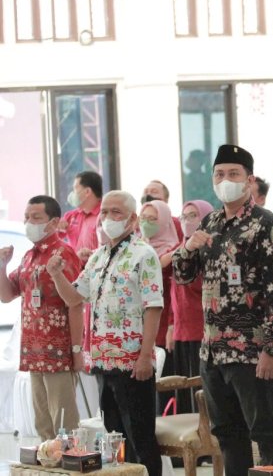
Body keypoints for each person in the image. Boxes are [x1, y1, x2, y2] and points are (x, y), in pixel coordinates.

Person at [172, 144, 273, 473]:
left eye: (233, 174)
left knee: (265, 432)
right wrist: (187, 248)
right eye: (219, 174)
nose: (226, 179)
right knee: (226, 434)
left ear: (249, 180)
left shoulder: (268, 225)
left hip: (252, 350)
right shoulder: (209, 223)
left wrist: (271, 348)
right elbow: (183, 277)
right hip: (212, 350)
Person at [48, 190, 163, 476]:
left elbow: (153, 307)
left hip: (132, 361)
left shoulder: (144, 254)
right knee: (114, 438)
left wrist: (145, 356)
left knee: (141, 437)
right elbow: (74, 298)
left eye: (116, 212)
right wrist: (56, 274)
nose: (108, 218)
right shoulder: (98, 256)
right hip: (102, 361)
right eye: (105, 212)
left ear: (133, 218)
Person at [0, 196, 82, 440]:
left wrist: (77, 350)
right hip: (33, 350)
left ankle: (69, 463)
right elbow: (6, 295)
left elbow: (76, 303)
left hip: (59, 349)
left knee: (64, 419)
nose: (28, 222)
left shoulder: (64, 253)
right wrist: (2, 266)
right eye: (27, 217)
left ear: (53, 222)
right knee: (42, 419)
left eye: (36, 217)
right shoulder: (28, 256)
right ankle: (48, 462)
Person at [170, 200, 214, 414]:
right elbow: (173, 294)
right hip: (181, 330)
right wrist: (171, 325)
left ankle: (206, 440)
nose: (187, 221)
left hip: (202, 329)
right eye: (184, 217)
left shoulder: (210, 250)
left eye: (193, 216)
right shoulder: (179, 250)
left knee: (202, 388)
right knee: (184, 389)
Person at [139, 199, 180, 412]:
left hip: (165, 324)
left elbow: (176, 293)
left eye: (152, 219)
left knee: (165, 383)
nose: (146, 223)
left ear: (164, 221)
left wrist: (173, 324)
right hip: (140, 325)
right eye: (143, 218)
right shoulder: (136, 247)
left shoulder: (174, 249)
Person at [60, 171, 103, 253]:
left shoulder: (104, 216)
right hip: (74, 265)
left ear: (87, 192)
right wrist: (56, 226)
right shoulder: (71, 216)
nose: (72, 194)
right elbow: (53, 238)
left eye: (75, 189)